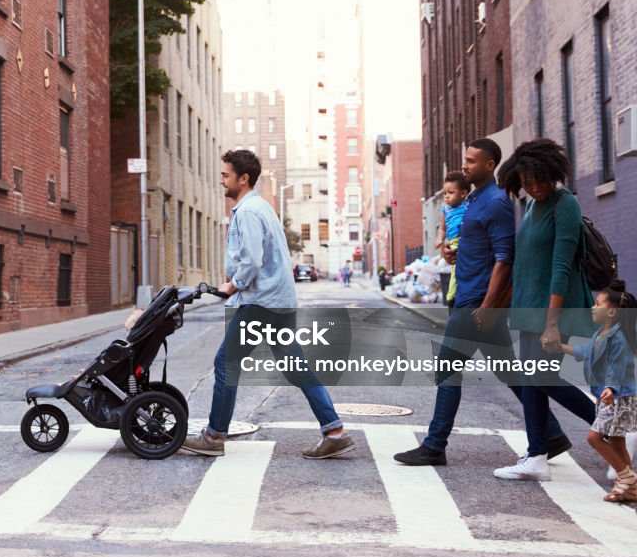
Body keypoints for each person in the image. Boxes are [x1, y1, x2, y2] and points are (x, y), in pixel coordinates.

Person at [394, 138, 570, 466]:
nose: (465, 165)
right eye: (466, 159)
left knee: (447, 369)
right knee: (508, 371)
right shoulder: (474, 200)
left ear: (490, 165)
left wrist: (487, 307)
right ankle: (553, 435)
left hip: (476, 303)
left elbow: (504, 259)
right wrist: (452, 252)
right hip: (471, 297)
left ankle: (435, 444)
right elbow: (480, 248)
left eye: (473, 161)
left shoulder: (496, 203)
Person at [182, 150, 354, 459]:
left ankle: (213, 436)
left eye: (226, 175)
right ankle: (334, 430)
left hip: (261, 303)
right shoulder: (260, 207)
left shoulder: (247, 212)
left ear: (243, 178)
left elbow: (252, 261)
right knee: (295, 367)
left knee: (226, 364)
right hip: (278, 300)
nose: (221, 180)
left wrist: (231, 285)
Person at [493, 139, 596, 481]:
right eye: (526, 181)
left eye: (539, 179)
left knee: (540, 376)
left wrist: (552, 323)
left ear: (553, 174)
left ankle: (611, 427)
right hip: (528, 310)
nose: (533, 186)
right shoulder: (533, 206)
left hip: (554, 311)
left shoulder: (564, 204)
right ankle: (537, 455)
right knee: (531, 378)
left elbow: (560, 267)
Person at [558, 282, 637, 500]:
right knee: (616, 440)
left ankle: (628, 478)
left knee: (594, 437)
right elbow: (586, 351)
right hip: (610, 395)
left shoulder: (617, 337)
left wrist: (611, 388)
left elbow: (617, 367)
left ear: (611, 311)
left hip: (617, 396)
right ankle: (628, 487)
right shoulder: (602, 333)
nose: (593, 307)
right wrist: (561, 347)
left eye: (598, 304)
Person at [435, 171, 469, 306]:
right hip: (453, 241)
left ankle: (454, 295)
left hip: (465, 239)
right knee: (455, 270)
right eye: (444, 193)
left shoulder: (468, 206)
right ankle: (451, 296)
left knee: (461, 270)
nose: (447, 196)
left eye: (451, 193)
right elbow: (442, 228)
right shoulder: (446, 210)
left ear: (463, 193)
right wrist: (439, 239)